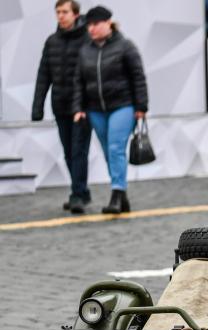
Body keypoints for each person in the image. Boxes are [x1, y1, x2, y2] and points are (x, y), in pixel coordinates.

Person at [72, 5, 147, 215]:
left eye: (96, 24)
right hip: (95, 109)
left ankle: (116, 195)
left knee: (115, 148)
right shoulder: (85, 51)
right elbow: (78, 82)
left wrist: (141, 106)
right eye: (89, 25)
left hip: (122, 106)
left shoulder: (125, 46)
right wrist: (78, 107)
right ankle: (122, 196)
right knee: (108, 152)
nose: (91, 29)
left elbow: (138, 76)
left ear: (108, 23)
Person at [32, 0, 91, 214]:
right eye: (58, 12)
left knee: (78, 151)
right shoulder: (52, 42)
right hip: (60, 105)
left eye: (65, 12)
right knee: (68, 152)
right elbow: (43, 75)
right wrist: (37, 106)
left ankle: (77, 194)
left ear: (76, 14)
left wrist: (88, 103)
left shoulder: (87, 39)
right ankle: (82, 191)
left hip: (82, 107)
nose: (60, 16)